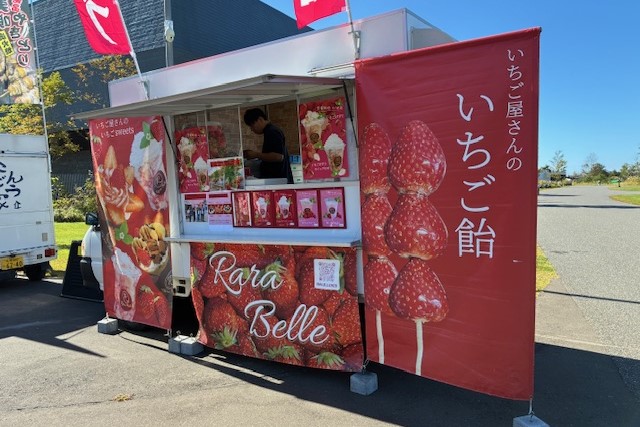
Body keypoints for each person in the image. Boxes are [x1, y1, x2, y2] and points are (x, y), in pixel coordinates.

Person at [243, 108, 293, 184]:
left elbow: (278, 157)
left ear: (260, 119)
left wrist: (255, 155)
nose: (252, 129)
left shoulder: (272, 131)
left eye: (252, 125)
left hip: (277, 180)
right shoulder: (270, 131)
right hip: (277, 179)